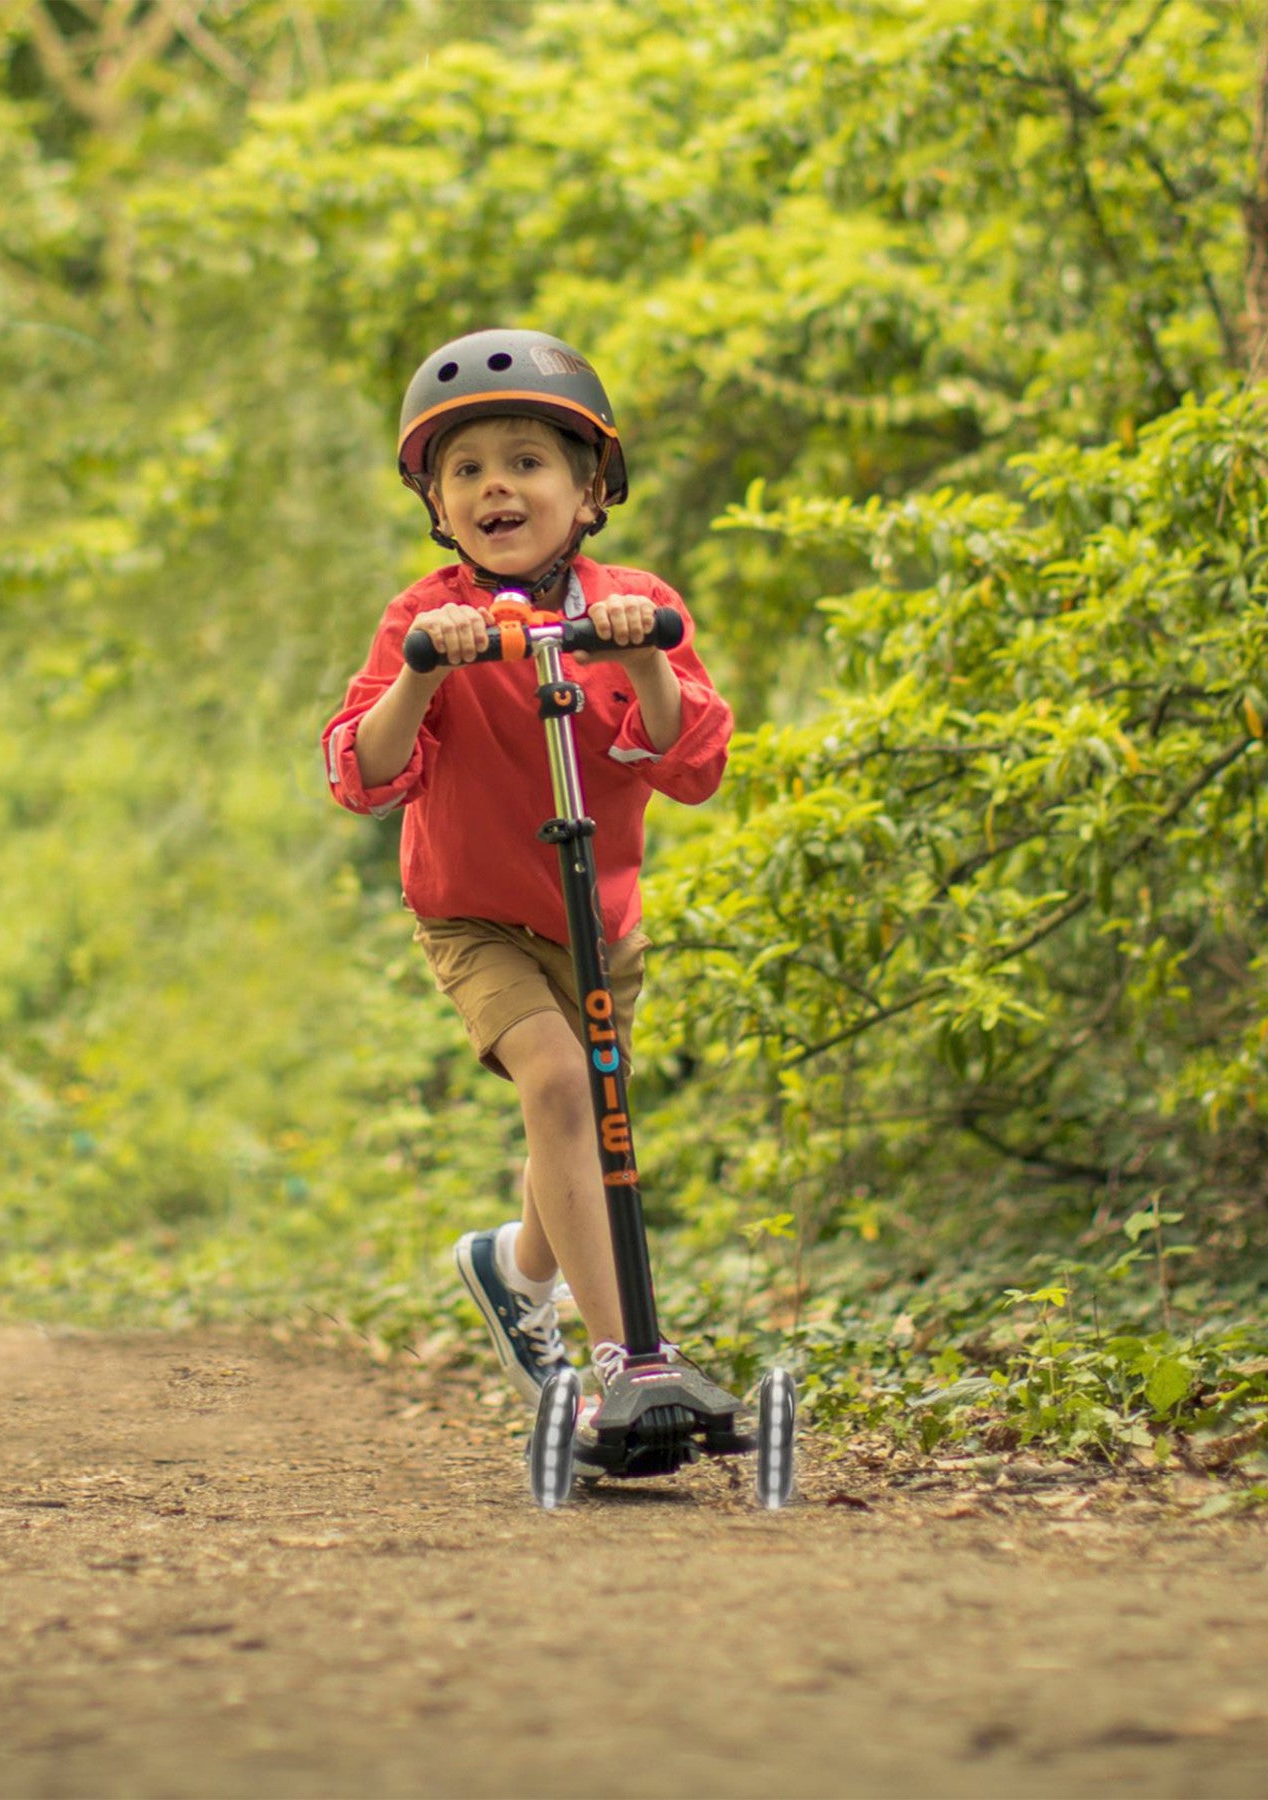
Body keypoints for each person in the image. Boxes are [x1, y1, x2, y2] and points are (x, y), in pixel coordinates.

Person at [323, 327, 732, 1415]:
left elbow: (693, 760)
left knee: (589, 1116)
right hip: (474, 917)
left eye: (526, 461)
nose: (494, 485)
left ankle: (515, 1271)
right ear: (439, 505)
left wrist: (642, 650)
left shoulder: (631, 601)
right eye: (465, 470)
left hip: (597, 919)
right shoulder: (425, 615)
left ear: (589, 490)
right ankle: (625, 1363)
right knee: (560, 1086)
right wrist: (423, 670)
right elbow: (361, 770)